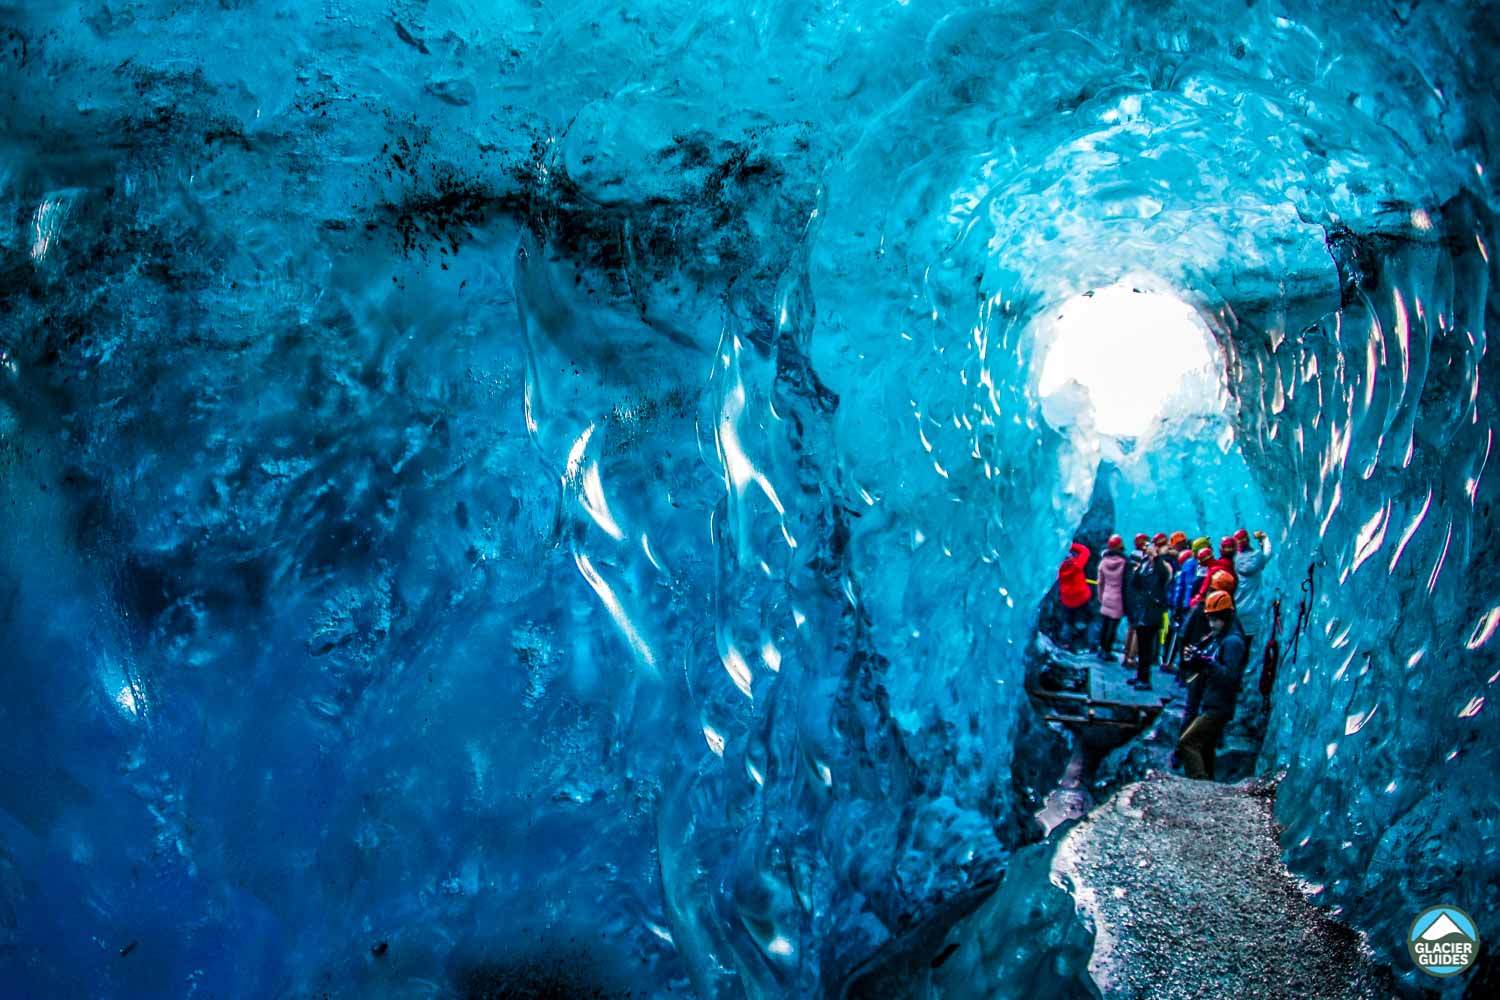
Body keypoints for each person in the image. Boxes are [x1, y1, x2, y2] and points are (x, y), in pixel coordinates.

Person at [1177, 590, 1249, 780]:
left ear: (1225, 617)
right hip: (1212, 702)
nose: (1211, 624)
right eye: (1210, 620)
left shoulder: (1232, 642)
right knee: (1206, 748)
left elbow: (1230, 677)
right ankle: (1207, 784)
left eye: (1215, 620)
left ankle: (1199, 784)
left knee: (1188, 742)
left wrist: (1207, 663)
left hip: (1219, 706)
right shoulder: (1221, 637)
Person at [1127, 538, 1172, 689]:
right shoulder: (1145, 566)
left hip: (1152, 612)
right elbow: (1135, 583)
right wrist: (1140, 567)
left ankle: (1145, 679)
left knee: (1146, 649)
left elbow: (1163, 574)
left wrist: (1156, 558)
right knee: (1142, 645)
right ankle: (1140, 675)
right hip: (1142, 611)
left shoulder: (1163, 568)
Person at [1096, 535, 1129, 660]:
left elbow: (1100, 582)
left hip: (1106, 596)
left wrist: (1101, 597)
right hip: (1118, 598)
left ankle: (1101, 648)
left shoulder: (1103, 562)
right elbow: (1126, 583)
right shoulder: (1124, 563)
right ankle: (1107, 650)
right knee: (1113, 626)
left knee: (1105, 624)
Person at [1056, 540, 1092, 651]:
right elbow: (1085, 551)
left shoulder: (1057, 570)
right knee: (1082, 619)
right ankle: (1081, 642)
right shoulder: (1077, 565)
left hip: (1067, 600)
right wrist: (1070, 545)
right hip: (1082, 598)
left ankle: (1065, 643)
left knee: (1067, 621)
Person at [1164, 548, 1198, 664]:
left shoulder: (1179, 573)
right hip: (1182, 606)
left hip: (1176, 605)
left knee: (1172, 634)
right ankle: (1169, 661)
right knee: (1178, 635)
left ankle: (1167, 659)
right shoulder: (1189, 572)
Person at [1232, 528, 1273, 619]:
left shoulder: (1234, 560)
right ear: (1248, 539)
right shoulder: (1257, 556)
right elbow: (1268, 554)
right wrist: (1265, 539)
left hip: (1238, 607)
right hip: (1255, 608)